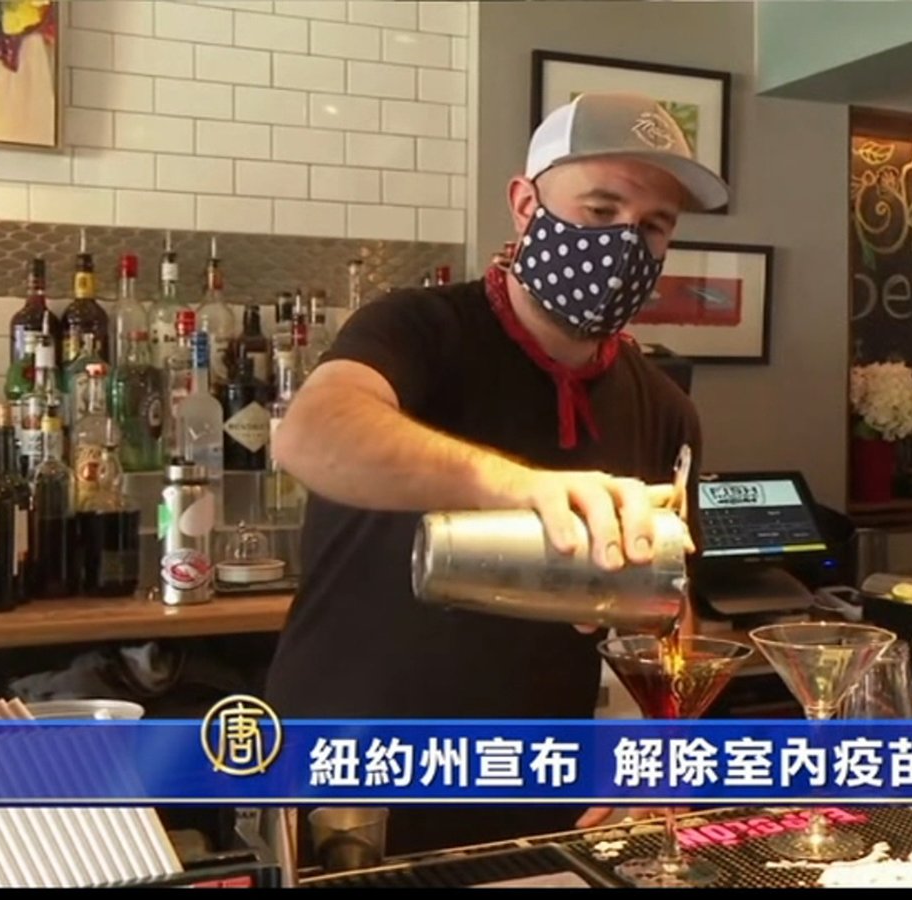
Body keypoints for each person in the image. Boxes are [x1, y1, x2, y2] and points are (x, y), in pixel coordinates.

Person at [264, 92, 729, 858]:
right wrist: (523, 488)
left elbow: (668, 606)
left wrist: (659, 741)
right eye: (600, 210)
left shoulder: (666, 409)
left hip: (535, 797)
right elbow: (310, 435)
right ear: (524, 204)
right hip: (353, 789)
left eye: (652, 226)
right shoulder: (417, 330)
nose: (624, 245)